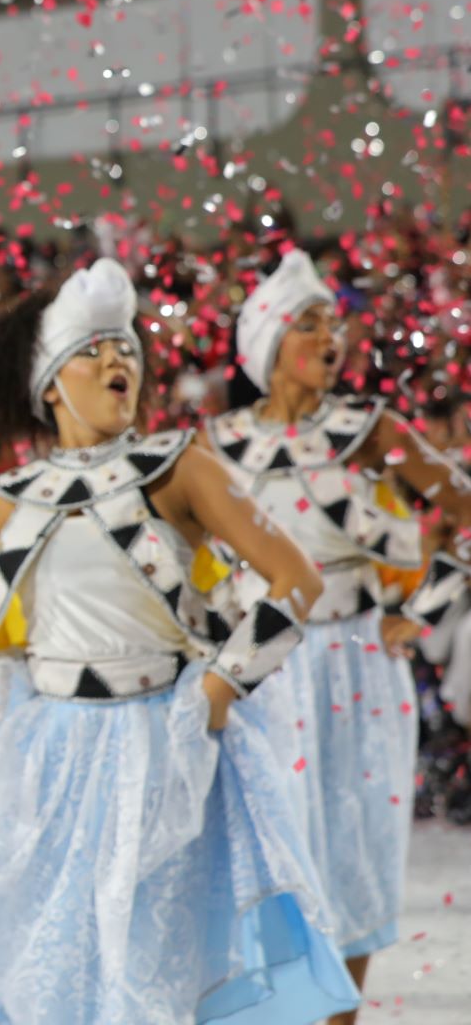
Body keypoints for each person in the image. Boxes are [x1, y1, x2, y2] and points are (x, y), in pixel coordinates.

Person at [0, 259, 358, 1024]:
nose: (118, 361)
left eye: (126, 348)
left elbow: (294, 582)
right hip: (41, 754)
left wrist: (215, 691)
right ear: (50, 381)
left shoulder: (180, 466)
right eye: (92, 350)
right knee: (44, 962)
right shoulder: (13, 498)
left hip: (163, 750)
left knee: (147, 967)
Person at [205, 249, 471, 1023]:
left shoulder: (370, 430)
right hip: (259, 667)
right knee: (267, 851)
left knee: (351, 850)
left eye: (336, 324)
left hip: (356, 665)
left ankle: (337, 1018)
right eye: (309, 324)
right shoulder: (214, 444)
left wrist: (422, 612)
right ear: (266, 342)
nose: (331, 339)